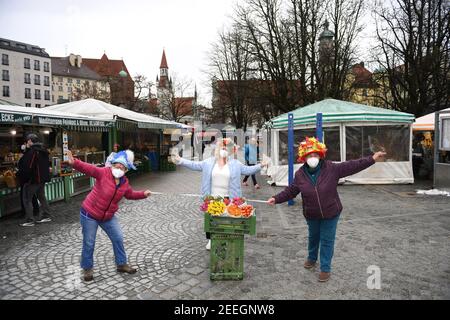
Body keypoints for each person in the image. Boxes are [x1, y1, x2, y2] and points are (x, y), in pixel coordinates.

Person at [267, 137, 386, 282]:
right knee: (313, 237)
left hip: (331, 212)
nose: (313, 158)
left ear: (320, 155)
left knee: (327, 240)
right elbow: (291, 190)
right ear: (304, 157)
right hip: (312, 213)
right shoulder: (300, 174)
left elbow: (352, 165)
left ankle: (325, 268)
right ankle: (311, 258)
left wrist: (372, 158)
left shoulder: (331, 168)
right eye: (309, 155)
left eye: (315, 155)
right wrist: (276, 198)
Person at [66, 149, 151, 282]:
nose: (119, 168)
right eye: (117, 165)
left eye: (122, 167)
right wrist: (75, 163)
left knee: (118, 238)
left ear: (126, 170)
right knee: (89, 242)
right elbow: (89, 169)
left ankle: (121, 264)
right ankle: (87, 268)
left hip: (107, 216)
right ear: (112, 165)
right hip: (90, 214)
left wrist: (143, 194)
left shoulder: (124, 182)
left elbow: (130, 194)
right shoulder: (103, 173)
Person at [172, 138, 268, 250]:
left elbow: (248, 170)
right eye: (221, 147)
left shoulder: (235, 164)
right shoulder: (208, 162)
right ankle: (211, 240)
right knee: (211, 219)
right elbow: (194, 165)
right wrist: (180, 160)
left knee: (227, 220)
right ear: (217, 149)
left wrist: (261, 165)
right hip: (212, 197)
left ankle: (226, 238)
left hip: (229, 198)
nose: (223, 149)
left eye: (226, 147)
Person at [19, 133, 52, 227]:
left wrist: (24, 177)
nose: (26, 143)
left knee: (26, 199)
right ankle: (46, 215)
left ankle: (30, 220)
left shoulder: (33, 152)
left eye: (27, 141)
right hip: (42, 179)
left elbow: (28, 167)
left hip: (34, 179)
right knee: (41, 197)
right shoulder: (43, 150)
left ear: (29, 141)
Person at [17, 141, 39, 218]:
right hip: (29, 178)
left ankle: (27, 214)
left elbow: (25, 167)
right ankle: (35, 211)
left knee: (26, 197)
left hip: (26, 178)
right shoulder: (30, 154)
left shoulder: (28, 155)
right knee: (32, 196)